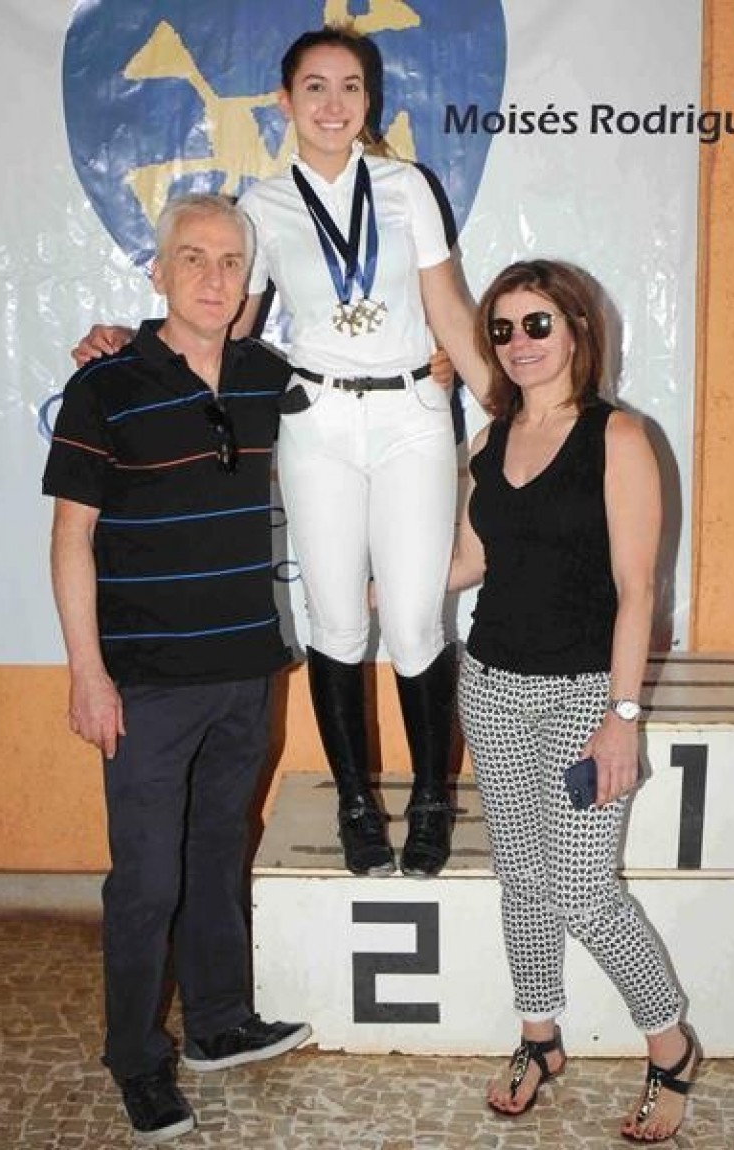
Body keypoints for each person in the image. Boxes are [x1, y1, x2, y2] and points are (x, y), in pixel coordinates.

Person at [74, 25, 489, 880]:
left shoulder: (407, 187)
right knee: (335, 617)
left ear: (370, 100)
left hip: (412, 415)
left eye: (350, 88)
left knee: (416, 620)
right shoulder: (261, 207)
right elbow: (225, 327)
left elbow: (448, 308)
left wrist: (517, 412)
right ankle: (355, 804)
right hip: (317, 422)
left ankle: (431, 800)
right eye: (315, 88)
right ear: (284, 100)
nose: (333, 105)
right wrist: (130, 342)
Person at [43, 194, 311, 1144]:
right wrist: (87, 674)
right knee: (147, 879)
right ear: (156, 271)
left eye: (230, 262)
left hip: (245, 666)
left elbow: (372, 412)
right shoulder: (105, 385)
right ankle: (134, 1058)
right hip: (145, 682)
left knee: (215, 852)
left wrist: (435, 367)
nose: (212, 276)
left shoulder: (268, 376)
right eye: (191, 258)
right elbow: (70, 539)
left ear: (248, 283)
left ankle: (218, 1023)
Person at [449, 260, 699, 1142]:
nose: (518, 342)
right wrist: (370, 588)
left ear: (577, 330)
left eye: (537, 323)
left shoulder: (619, 437)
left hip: (583, 698)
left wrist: (620, 719)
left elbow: (638, 592)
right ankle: (539, 1036)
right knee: (520, 880)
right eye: (503, 329)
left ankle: (669, 1046)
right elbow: (469, 562)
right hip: (489, 687)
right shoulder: (487, 440)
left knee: (583, 892)